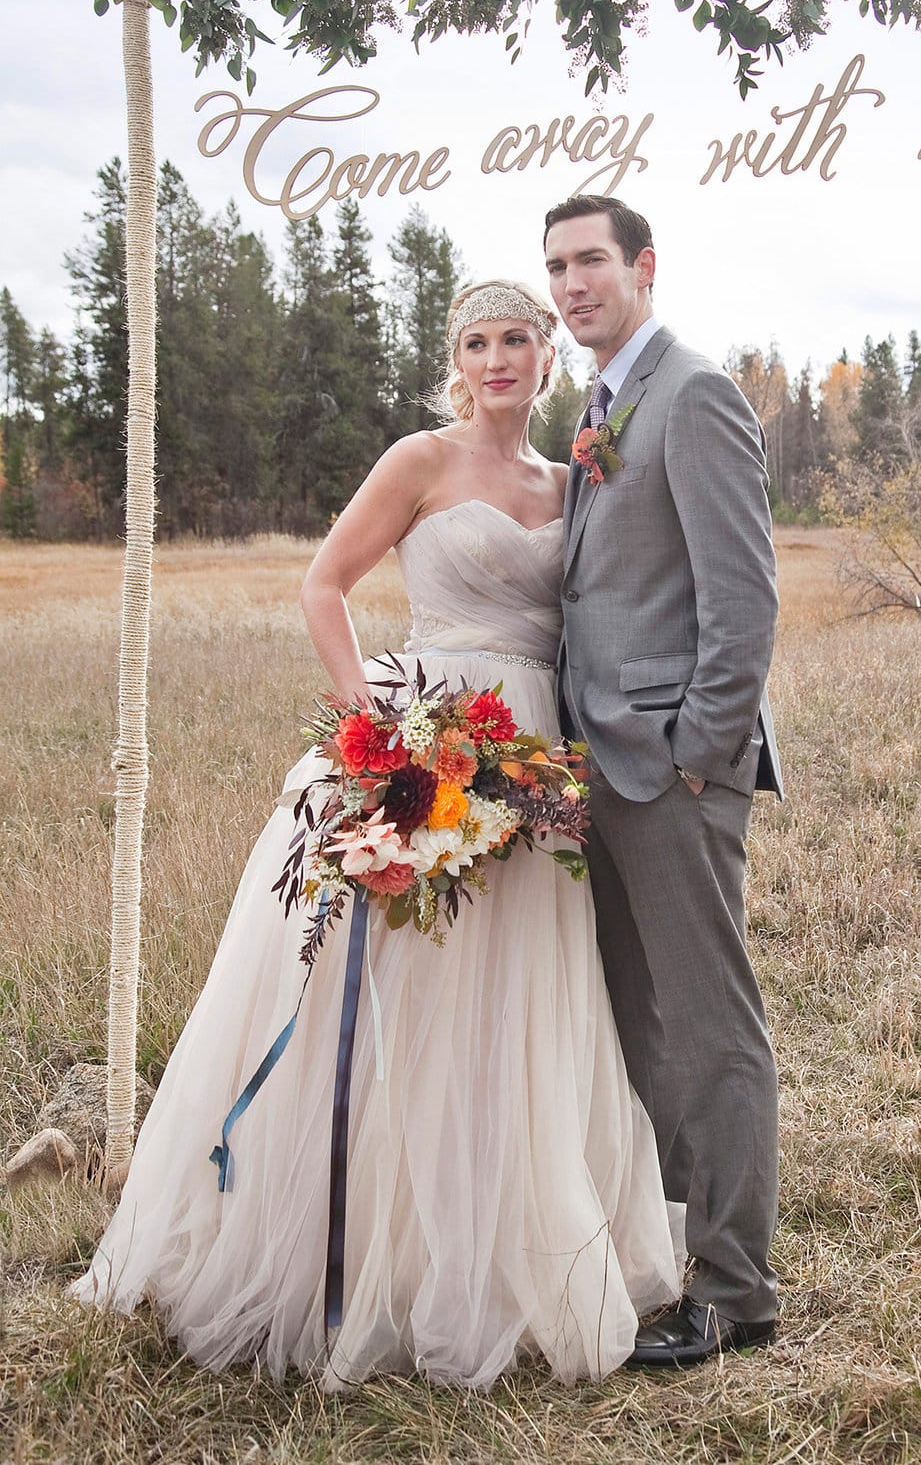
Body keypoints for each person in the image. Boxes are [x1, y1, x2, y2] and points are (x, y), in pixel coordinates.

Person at [72, 277, 681, 1389]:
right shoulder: (420, 461)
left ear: (548, 356)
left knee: (518, 988)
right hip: (425, 738)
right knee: (406, 982)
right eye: (476, 342)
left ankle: (505, 1247)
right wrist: (377, 729)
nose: (496, 360)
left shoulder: (570, 481)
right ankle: (364, 1252)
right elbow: (324, 585)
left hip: (533, 760)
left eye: (516, 339)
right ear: (457, 361)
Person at [544, 195, 782, 1367]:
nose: (572, 284)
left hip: (671, 773)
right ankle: (675, 1243)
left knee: (711, 1027)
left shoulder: (693, 394)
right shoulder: (598, 407)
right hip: (595, 767)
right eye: (556, 266)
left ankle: (738, 1293)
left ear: (645, 266)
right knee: (638, 1024)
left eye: (591, 260)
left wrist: (696, 753)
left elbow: (744, 602)